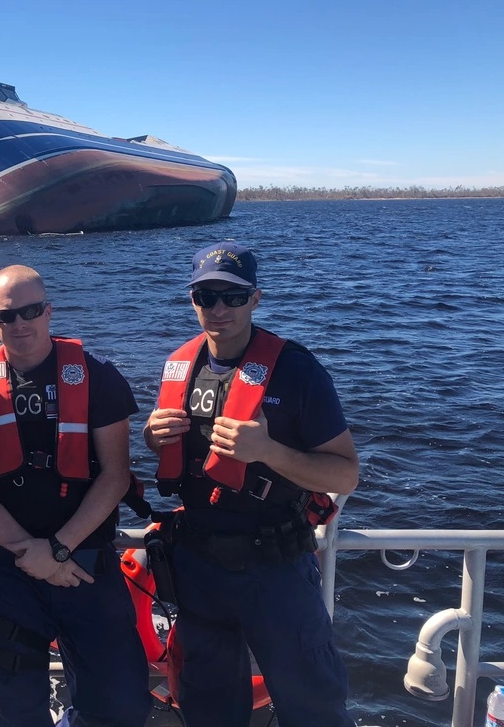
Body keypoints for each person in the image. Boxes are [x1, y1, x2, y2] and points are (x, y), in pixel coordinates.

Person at [143, 241, 360, 727]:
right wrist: (152, 436)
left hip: (275, 571)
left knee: (313, 706)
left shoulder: (297, 371)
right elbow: (178, 457)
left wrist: (268, 451)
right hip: (198, 567)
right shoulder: (182, 365)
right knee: (209, 709)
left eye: (233, 297)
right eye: (206, 296)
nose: (219, 309)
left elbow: (346, 473)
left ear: (255, 300)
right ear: (192, 300)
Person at [0, 265, 151, 727]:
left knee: (120, 706)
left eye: (31, 310)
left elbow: (116, 475)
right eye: (6, 315)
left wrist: (57, 551)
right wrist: (30, 554)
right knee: (18, 709)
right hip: (9, 573)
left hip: (85, 563)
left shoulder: (98, 376)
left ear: (49, 311)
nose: (20, 323)